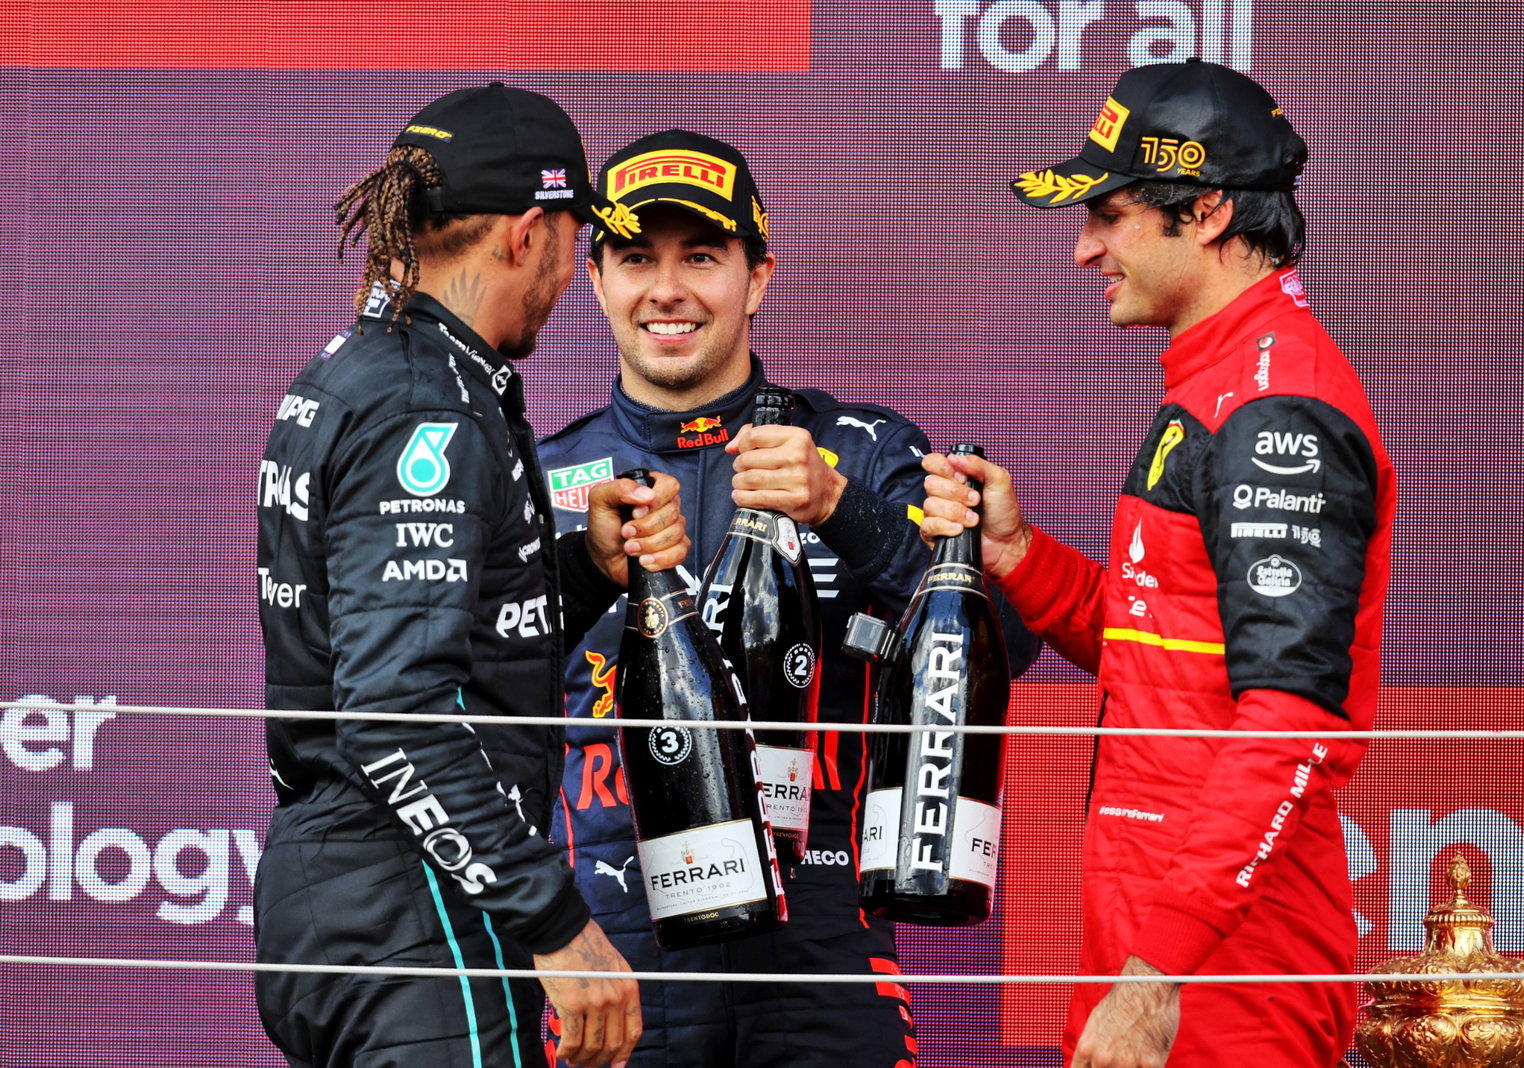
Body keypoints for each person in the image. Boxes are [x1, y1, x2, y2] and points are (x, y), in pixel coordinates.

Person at [921, 59, 1396, 1066]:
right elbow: (1166, 652)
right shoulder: (1219, 380)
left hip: (1225, 969)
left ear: (1210, 210)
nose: (1085, 247)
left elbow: (1296, 719)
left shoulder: (1277, 414)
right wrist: (1017, 555)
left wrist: (1157, 974)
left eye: (1112, 213)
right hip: (1159, 946)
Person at [537, 129, 1039, 1067]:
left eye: (702, 257)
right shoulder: (542, 476)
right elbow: (463, 714)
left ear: (758, 277)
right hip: (619, 955)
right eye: (636, 258)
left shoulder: (863, 451)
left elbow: (1007, 639)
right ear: (596, 279)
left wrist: (843, 512)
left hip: (822, 949)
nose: (668, 289)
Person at [255, 83, 687, 1068]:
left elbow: (436, 638)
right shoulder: (427, 409)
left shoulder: (365, 367)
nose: (572, 271)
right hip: (414, 909)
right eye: (576, 240)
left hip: (348, 906)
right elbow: (397, 709)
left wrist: (583, 568)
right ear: (525, 234)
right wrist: (557, 924)